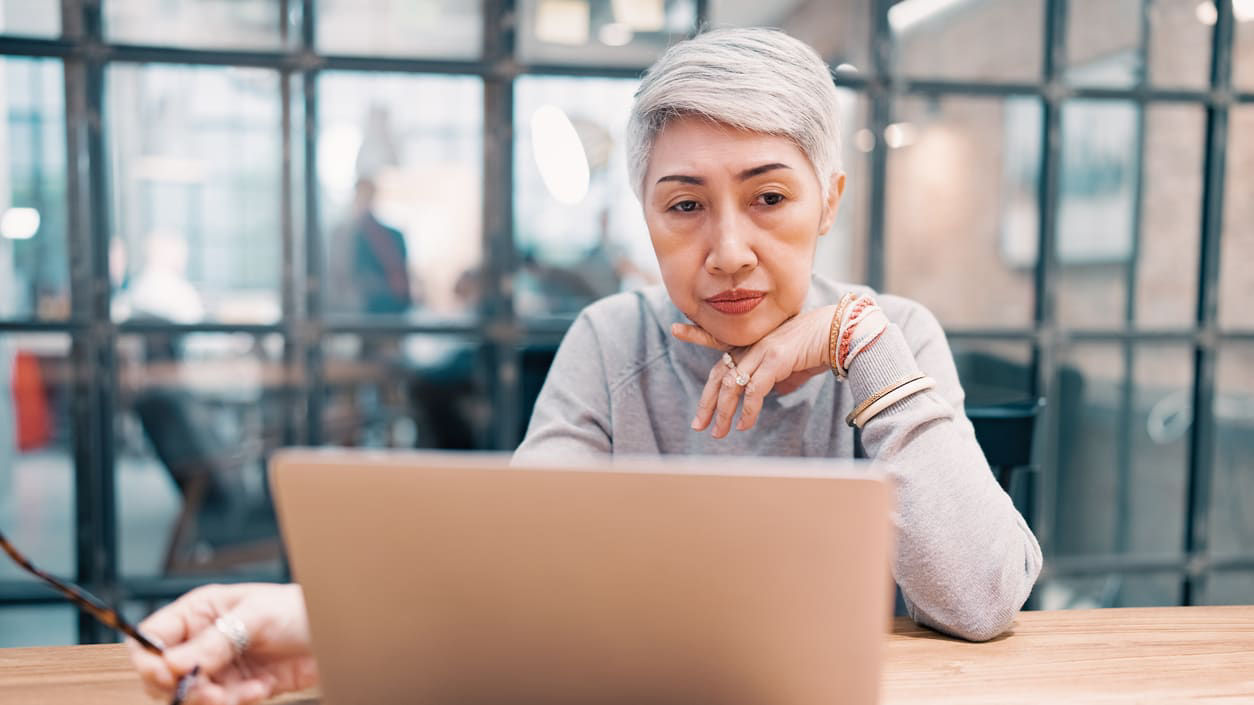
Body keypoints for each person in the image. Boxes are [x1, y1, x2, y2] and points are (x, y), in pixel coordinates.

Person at [128, 28, 1042, 704]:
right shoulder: (611, 340)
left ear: (828, 200)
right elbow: (513, 572)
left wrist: (861, 345)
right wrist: (320, 619)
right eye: (685, 205)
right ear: (647, 217)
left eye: (769, 197)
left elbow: (981, 599)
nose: (728, 250)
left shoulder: (895, 336)